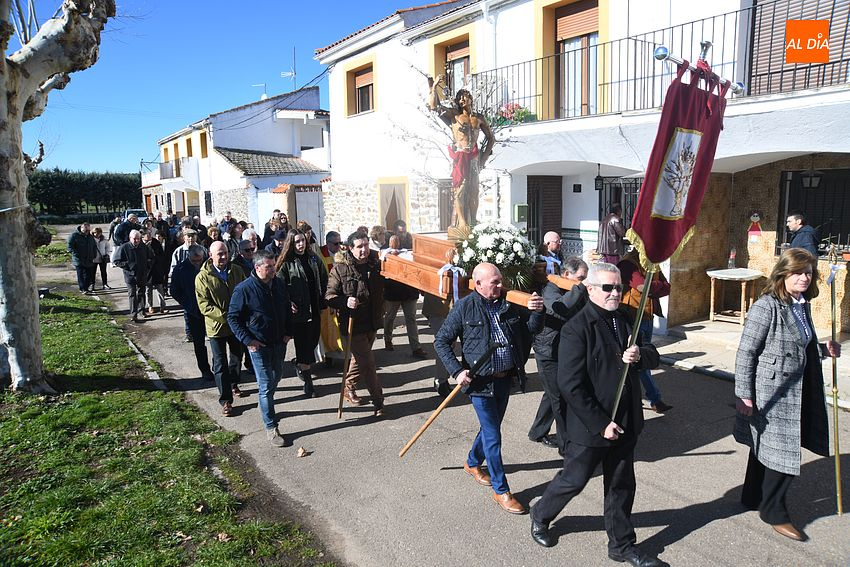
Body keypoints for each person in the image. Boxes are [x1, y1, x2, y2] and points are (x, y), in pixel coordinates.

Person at [530, 263, 661, 567]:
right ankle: (541, 513)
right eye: (608, 287)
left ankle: (621, 546)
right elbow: (570, 384)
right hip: (591, 425)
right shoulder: (576, 328)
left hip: (625, 420)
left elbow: (653, 354)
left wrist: (640, 356)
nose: (615, 293)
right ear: (589, 289)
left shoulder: (627, 318)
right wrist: (601, 424)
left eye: (619, 287)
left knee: (621, 485)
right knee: (574, 480)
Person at [734, 248, 839, 541]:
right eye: (798, 272)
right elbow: (746, 353)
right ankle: (774, 512)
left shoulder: (801, 305)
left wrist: (823, 350)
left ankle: (752, 496)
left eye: (809, 273)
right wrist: (743, 394)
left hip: (798, 388)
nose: (804, 278)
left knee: (765, 448)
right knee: (784, 453)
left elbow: (801, 345)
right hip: (771, 393)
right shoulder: (767, 307)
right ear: (783, 273)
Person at [434, 263, 544, 515]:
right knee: (493, 435)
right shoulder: (464, 307)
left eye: (500, 280)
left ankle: (472, 462)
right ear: (478, 284)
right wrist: (457, 371)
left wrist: (538, 312)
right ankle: (501, 490)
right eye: (494, 282)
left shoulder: (510, 303)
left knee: (489, 429)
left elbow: (532, 329)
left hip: (505, 380)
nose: (500, 285)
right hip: (479, 382)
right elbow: (441, 341)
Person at [228, 250, 293, 447]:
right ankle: (271, 426)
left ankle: (265, 404)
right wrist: (248, 340)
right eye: (269, 267)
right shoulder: (244, 289)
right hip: (259, 346)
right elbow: (233, 318)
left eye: (274, 266)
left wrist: (288, 332)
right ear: (257, 268)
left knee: (276, 377)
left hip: (279, 343)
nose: (273, 270)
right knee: (265, 386)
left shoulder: (279, 284)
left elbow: (287, 308)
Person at [528, 256, 589, 451]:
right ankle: (566, 446)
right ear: (566, 274)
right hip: (548, 351)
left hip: (565, 350)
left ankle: (537, 431)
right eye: (580, 278)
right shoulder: (550, 289)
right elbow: (560, 308)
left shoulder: (576, 290)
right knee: (560, 398)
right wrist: (580, 288)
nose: (583, 282)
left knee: (552, 393)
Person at [325, 230, 386, 415]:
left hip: (372, 321)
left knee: (360, 360)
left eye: (366, 245)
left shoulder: (376, 263)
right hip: (353, 324)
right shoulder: (340, 269)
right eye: (359, 246)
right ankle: (378, 402)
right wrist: (345, 301)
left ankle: (349, 386)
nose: (364, 250)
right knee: (368, 363)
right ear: (350, 248)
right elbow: (329, 297)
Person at [429, 76, 495, 229]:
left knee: (474, 191)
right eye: (459, 98)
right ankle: (462, 222)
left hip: (475, 158)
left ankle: (473, 221)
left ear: (470, 98)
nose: (462, 100)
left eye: (464, 97)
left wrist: (483, 159)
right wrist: (434, 87)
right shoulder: (454, 115)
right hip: (460, 156)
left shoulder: (479, 118)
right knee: (460, 189)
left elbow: (491, 138)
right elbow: (434, 106)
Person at [195, 241, 247, 417]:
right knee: (220, 363)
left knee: (237, 357)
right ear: (211, 256)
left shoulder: (237, 271)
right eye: (220, 254)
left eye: (225, 252)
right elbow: (204, 305)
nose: (224, 256)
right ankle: (225, 400)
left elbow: (245, 291)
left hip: (236, 325)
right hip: (216, 327)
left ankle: (233, 383)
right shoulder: (202, 277)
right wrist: (226, 316)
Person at [275, 229, 328, 397]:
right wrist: (287, 302)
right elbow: (278, 287)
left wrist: (326, 298)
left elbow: (324, 279)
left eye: (303, 241)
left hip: (315, 308)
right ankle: (308, 383)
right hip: (299, 313)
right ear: (291, 243)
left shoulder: (314, 259)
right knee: (304, 347)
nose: (301, 244)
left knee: (312, 343)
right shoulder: (286, 263)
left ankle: (299, 363)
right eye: (297, 241)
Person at [618, 250, 672, 413]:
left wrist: (653, 287)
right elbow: (642, 286)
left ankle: (652, 398)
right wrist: (655, 287)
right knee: (636, 360)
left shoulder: (653, 264)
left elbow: (667, 288)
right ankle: (654, 399)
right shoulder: (628, 264)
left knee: (643, 358)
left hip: (647, 317)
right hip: (632, 317)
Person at [170, 248, 214, 382]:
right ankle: (205, 370)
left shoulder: (209, 265)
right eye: (194, 261)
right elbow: (174, 291)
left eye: (199, 260)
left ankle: (218, 366)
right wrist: (187, 304)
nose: (197, 263)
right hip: (194, 312)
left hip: (211, 311)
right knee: (199, 343)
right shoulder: (181, 269)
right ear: (188, 257)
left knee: (216, 341)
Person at [382, 233, 427, 358]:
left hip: (409, 291)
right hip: (393, 290)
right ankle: (387, 339)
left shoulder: (410, 250)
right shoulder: (385, 252)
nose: (397, 241)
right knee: (390, 317)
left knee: (411, 319)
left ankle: (416, 347)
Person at [113, 229, 153, 323]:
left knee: (141, 293)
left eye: (138, 239)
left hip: (142, 274)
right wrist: (129, 266)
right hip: (130, 275)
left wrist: (147, 266)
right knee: (132, 294)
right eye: (135, 239)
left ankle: (142, 310)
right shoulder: (124, 247)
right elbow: (116, 261)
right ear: (130, 238)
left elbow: (151, 257)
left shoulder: (143, 246)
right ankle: (133, 313)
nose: (137, 241)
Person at [319, 231, 344, 364]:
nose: (339, 246)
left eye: (340, 242)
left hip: (341, 295)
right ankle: (329, 355)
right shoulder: (320, 254)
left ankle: (345, 356)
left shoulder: (343, 253)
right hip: (327, 296)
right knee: (328, 328)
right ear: (327, 243)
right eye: (335, 243)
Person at [422, 293, 454, 397]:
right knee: (444, 345)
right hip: (439, 307)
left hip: (454, 306)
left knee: (451, 345)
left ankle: (443, 378)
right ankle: (441, 381)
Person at [67, 222, 98, 294]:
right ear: (81, 228)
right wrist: (75, 253)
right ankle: (82, 288)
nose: (87, 232)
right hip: (79, 259)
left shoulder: (90, 237)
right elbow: (70, 246)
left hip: (89, 259)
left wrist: (94, 255)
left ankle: (86, 288)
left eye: (88, 230)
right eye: (85, 230)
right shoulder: (74, 235)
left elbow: (94, 246)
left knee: (88, 275)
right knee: (81, 275)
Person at [142, 230, 168, 315]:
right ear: (143, 236)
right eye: (147, 234)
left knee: (160, 288)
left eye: (150, 234)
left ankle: (162, 306)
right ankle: (150, 306)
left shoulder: (155, 242)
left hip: (157, 269)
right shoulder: (141, 244)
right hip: (147, 271)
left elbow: (161, 255)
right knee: (148, 290)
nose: (150, 236)